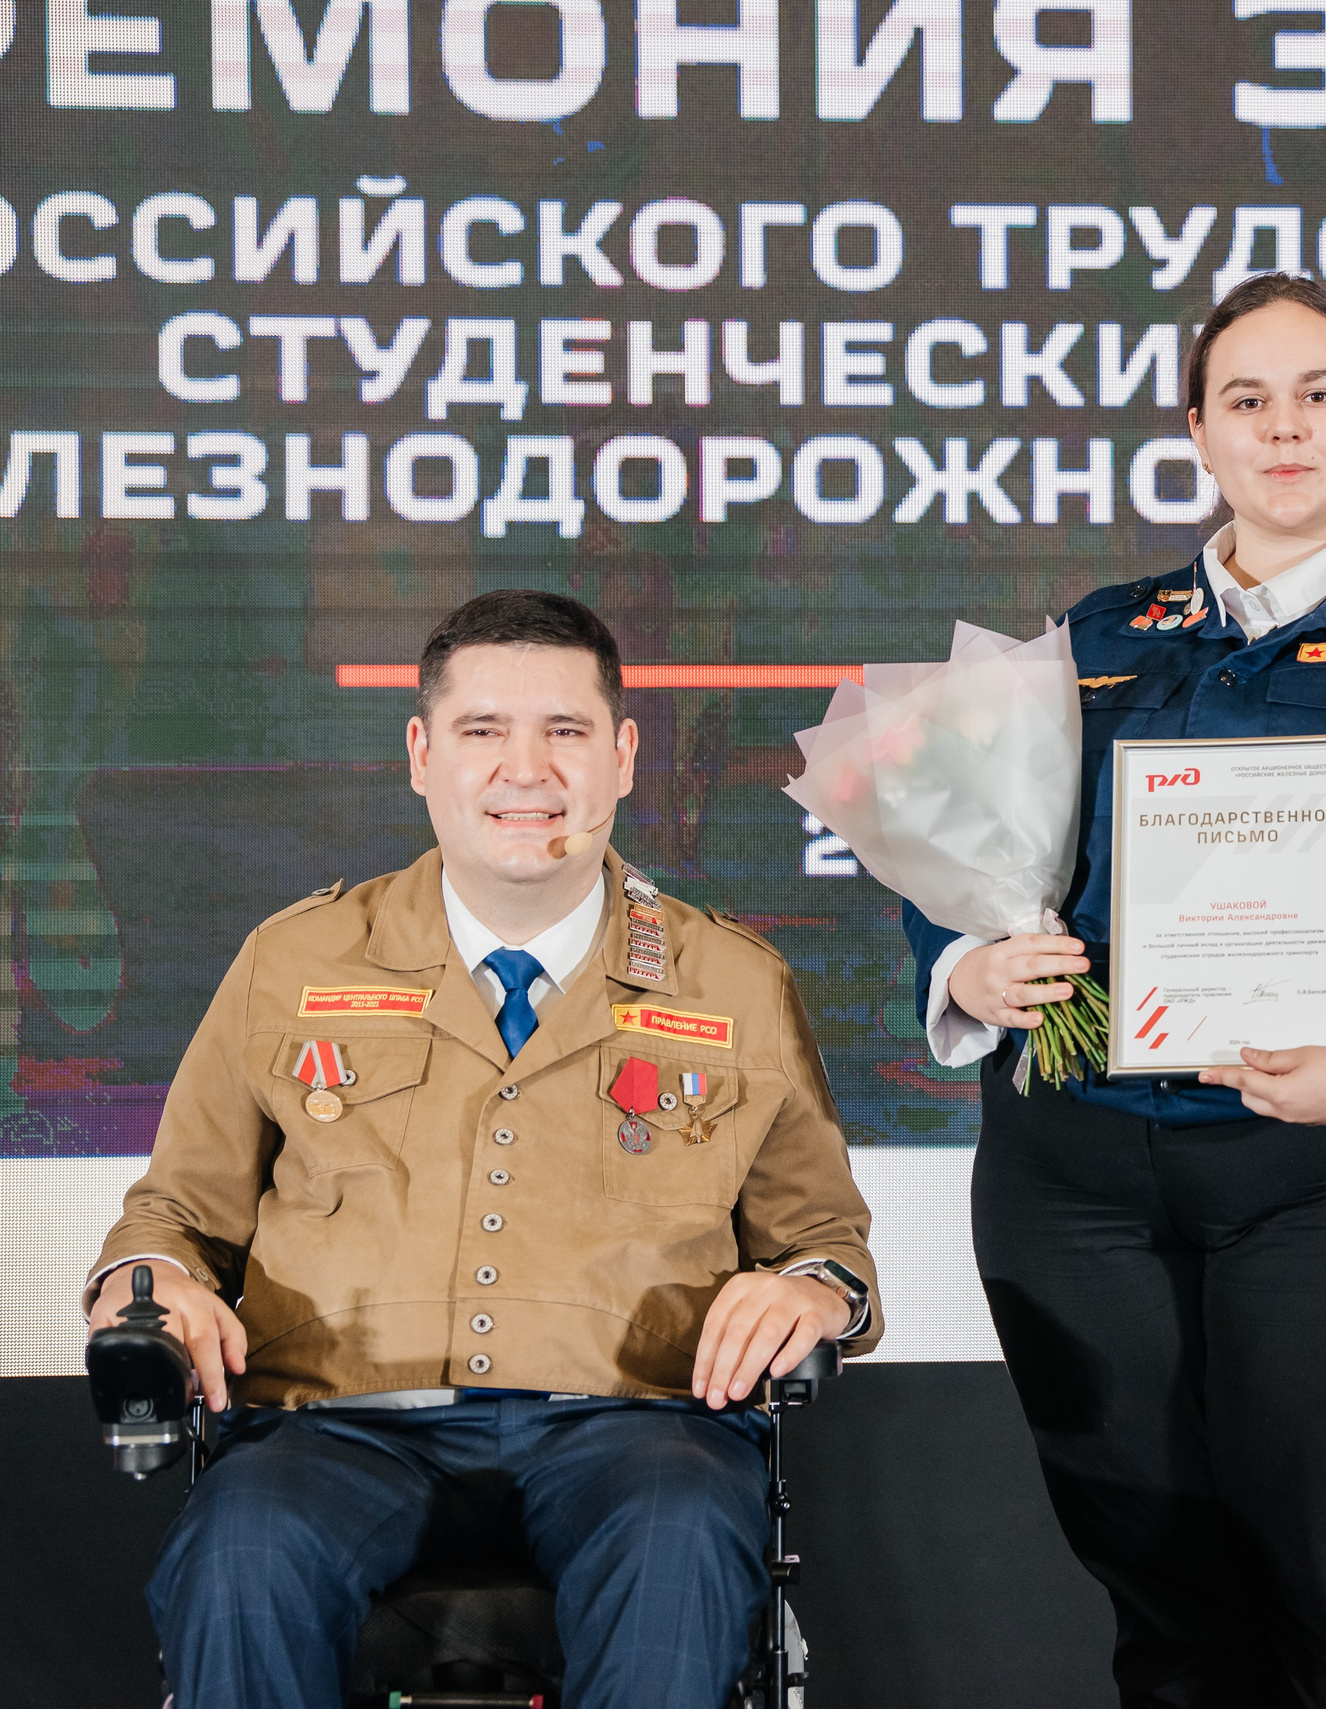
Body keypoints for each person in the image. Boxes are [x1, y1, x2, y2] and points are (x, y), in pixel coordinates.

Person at [902, 271, 1326, 1706]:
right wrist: (974, 960)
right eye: (1248, 401)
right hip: (1087, 1177)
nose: (1286, 428)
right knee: (1169, 1611)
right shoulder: (1096, 639)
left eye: (1320, 393)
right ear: (1200, 436)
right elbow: (959, 858)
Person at [84, 590, 881, 1709]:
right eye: (482, 731)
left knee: (681, 1534)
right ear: (419, 752)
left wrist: (810, 1291)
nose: (527, 770)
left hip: (633, 1422)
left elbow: (824, 1242)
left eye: (564, 732)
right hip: (338, 1422)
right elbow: (172, 1215)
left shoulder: (733, 980)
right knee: (244, 1549)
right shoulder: (293, 958)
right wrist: (152, 1285)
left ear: (622, 755)